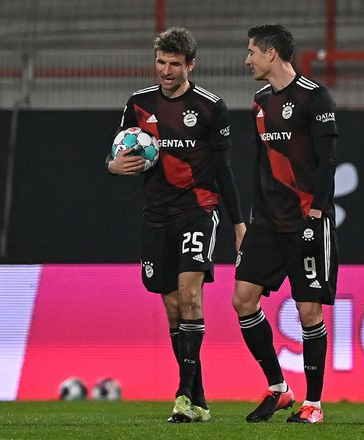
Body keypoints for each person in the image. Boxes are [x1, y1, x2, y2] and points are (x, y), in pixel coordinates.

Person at [106, 27, 246, 423]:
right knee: (172, 308)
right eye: (161, 62)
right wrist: (112, 167)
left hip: (197, 211)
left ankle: (183, 395)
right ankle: (199, 398)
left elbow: (225, 169)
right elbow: (118, 151)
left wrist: (239, 224)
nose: (166, 71)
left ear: (190, 65)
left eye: (174, 64)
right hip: (156, 216)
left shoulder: (209, 106)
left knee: (190, 297)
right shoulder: (138, 103)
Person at [233, 24, 338, 424]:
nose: (247, 60)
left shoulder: (315, 97)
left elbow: (328, 162)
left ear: (271, 53)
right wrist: (249, 221)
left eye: (252, 53)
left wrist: (316, 214)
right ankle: (279, 389)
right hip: (268, 224)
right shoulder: (260, 102)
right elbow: (261, 166)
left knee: (308, 311)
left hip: (306, 222)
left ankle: (313, 404)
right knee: (243, 299)